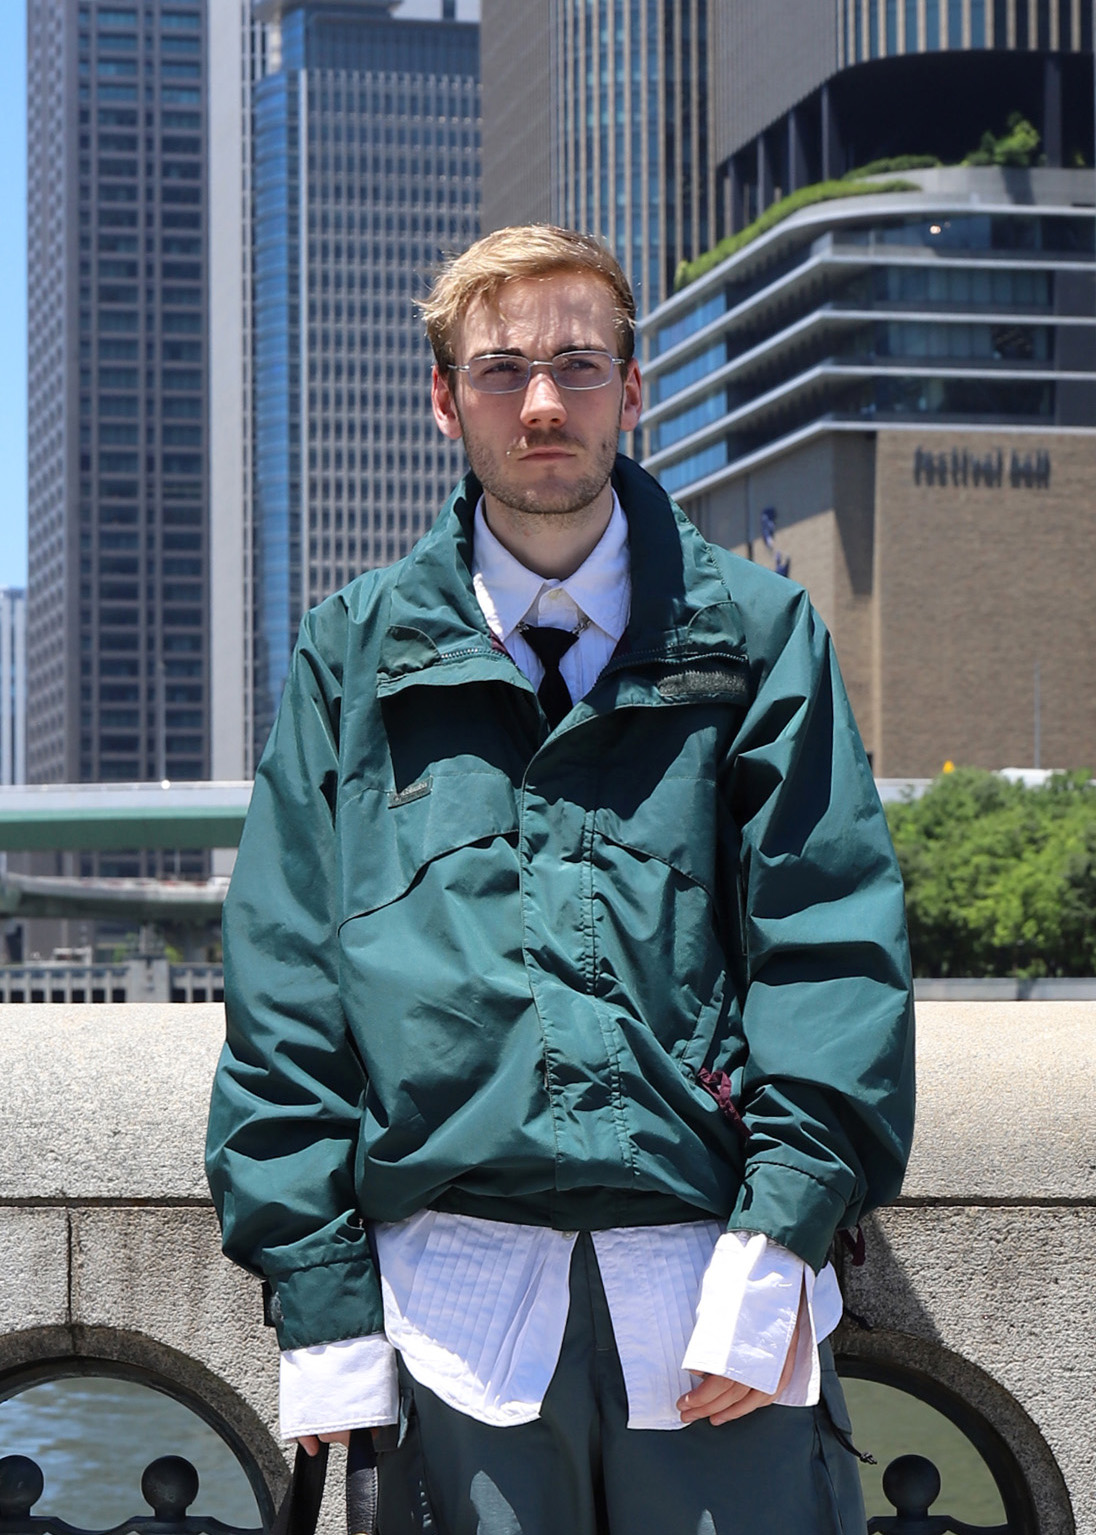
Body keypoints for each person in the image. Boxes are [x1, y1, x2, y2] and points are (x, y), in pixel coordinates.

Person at [206, 225, 915, 1535]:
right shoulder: (349, 656)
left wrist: (783, 1235)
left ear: (631, 390)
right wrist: (319, 1300)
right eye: (500, 369)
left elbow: (830, 945)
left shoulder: (760, 639)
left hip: (717, 1291)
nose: (543, 404)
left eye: (580, 364)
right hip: (443, 1316)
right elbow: (286, 989)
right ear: (445, 400)